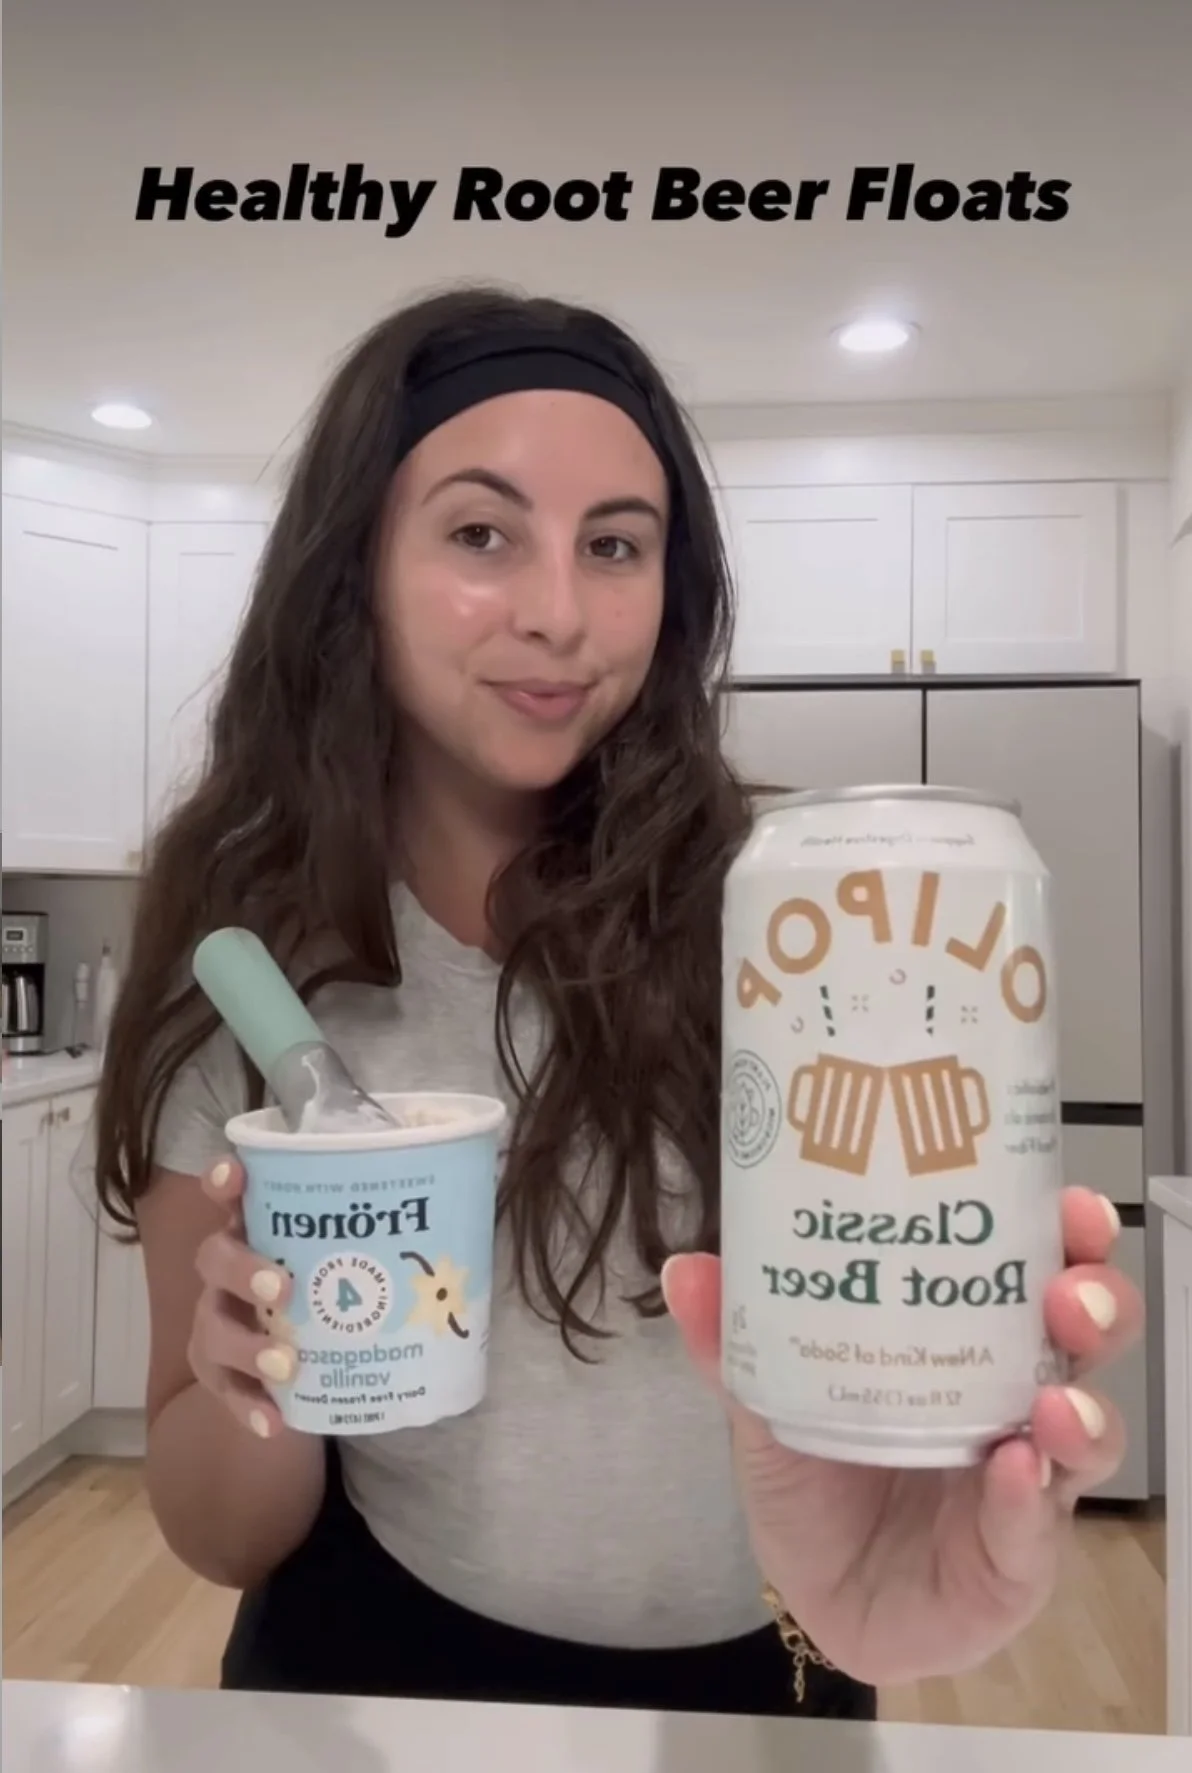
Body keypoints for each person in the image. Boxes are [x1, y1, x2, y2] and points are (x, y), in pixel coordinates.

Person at [93, 286, 1142, 1721]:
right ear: (356, 572)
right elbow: (222, 1532)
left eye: (615, 546)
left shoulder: (787, 919)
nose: (560, 614)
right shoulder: (254, 965)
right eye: (480, 533)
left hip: (773, 1675)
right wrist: (249, 1380)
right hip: (369, 1681)